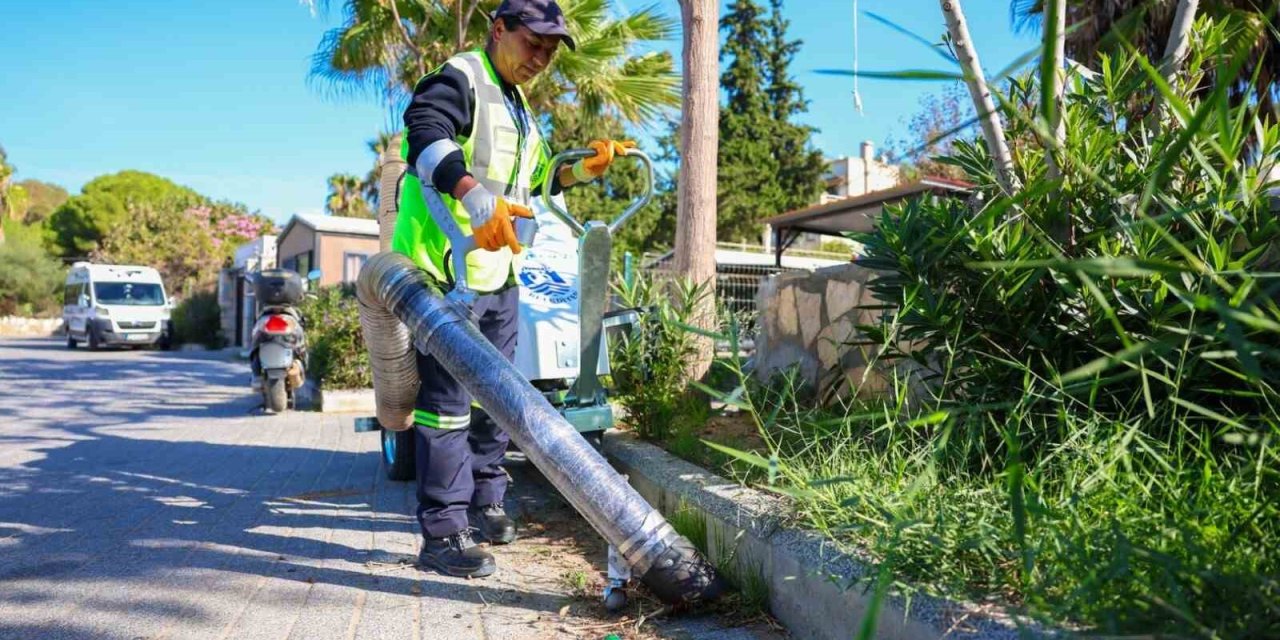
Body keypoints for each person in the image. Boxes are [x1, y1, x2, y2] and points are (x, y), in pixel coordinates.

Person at [393, 0, 632, 579]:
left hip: (497, 273)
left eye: (550, 52)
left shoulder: (520, 107)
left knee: (497, 399)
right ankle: (444, 533)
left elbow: (537, 179)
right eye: (534, 44)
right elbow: (423, 131)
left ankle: (488, 499)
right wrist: (471, 193)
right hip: (444, 269)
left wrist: (581, 170)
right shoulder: (462, 77)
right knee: (447, 408)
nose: (541, 59)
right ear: (499, 30)